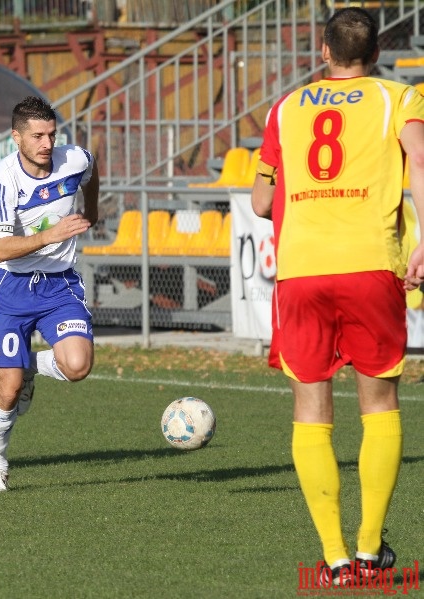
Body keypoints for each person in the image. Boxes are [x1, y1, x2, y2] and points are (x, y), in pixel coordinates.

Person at [250, 8, 424, 587]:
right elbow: (419, 159)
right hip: (370, 263)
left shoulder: (286, 107)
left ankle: (335, 558)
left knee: (311, 407)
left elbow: (258, 202)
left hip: (303, 269)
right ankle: (372, 551)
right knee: (378, 403)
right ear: (375, 53)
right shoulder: (399, 97)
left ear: (323, 51)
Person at [0, 95, 99, 492]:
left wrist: (92, 210)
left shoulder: (74, 159)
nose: (46, 143)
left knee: (79, 365)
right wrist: (50, 234)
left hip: (59, 284)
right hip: (11, 288)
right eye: (37, 136)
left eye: (51, 134)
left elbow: (91, 171)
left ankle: (29, 363)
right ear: (16, 138)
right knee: (9, 389)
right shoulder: (2, 179)